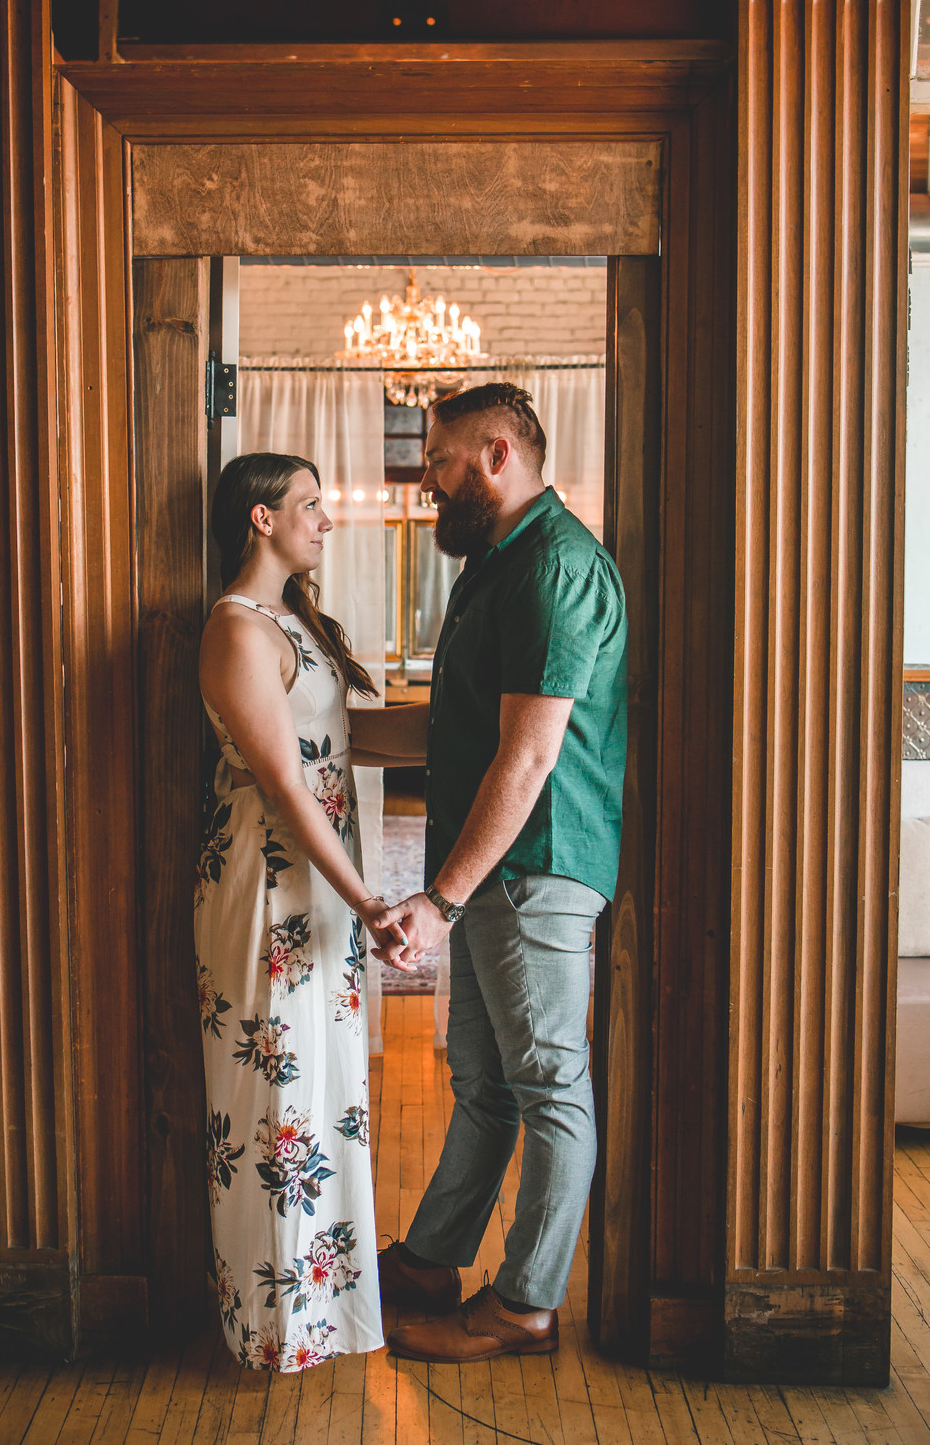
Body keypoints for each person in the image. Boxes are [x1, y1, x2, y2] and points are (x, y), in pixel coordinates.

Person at [364, 382, 628, 1364]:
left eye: (439, 461)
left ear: (499, 454)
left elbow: (527, 758)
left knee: (550, 1083)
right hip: (491, 872)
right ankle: (434, 1261)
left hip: (537, 868)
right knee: (484, 1084)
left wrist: (438, 901)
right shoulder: (494, 563)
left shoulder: (556, 567)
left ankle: (526, 1303)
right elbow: (451, 734)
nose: (425, 479)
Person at [194, 452, 412, 1372]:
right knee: (275, 1095)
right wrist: (370, 901)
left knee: (327, 1092)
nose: (327, 520)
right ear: (259, 518)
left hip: (321, 877)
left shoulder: (299, 621)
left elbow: (344, 742)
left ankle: (327, 1309)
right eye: (310, 506)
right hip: (269, 877)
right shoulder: (237, 629)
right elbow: (284, 784)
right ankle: (276, 1326)